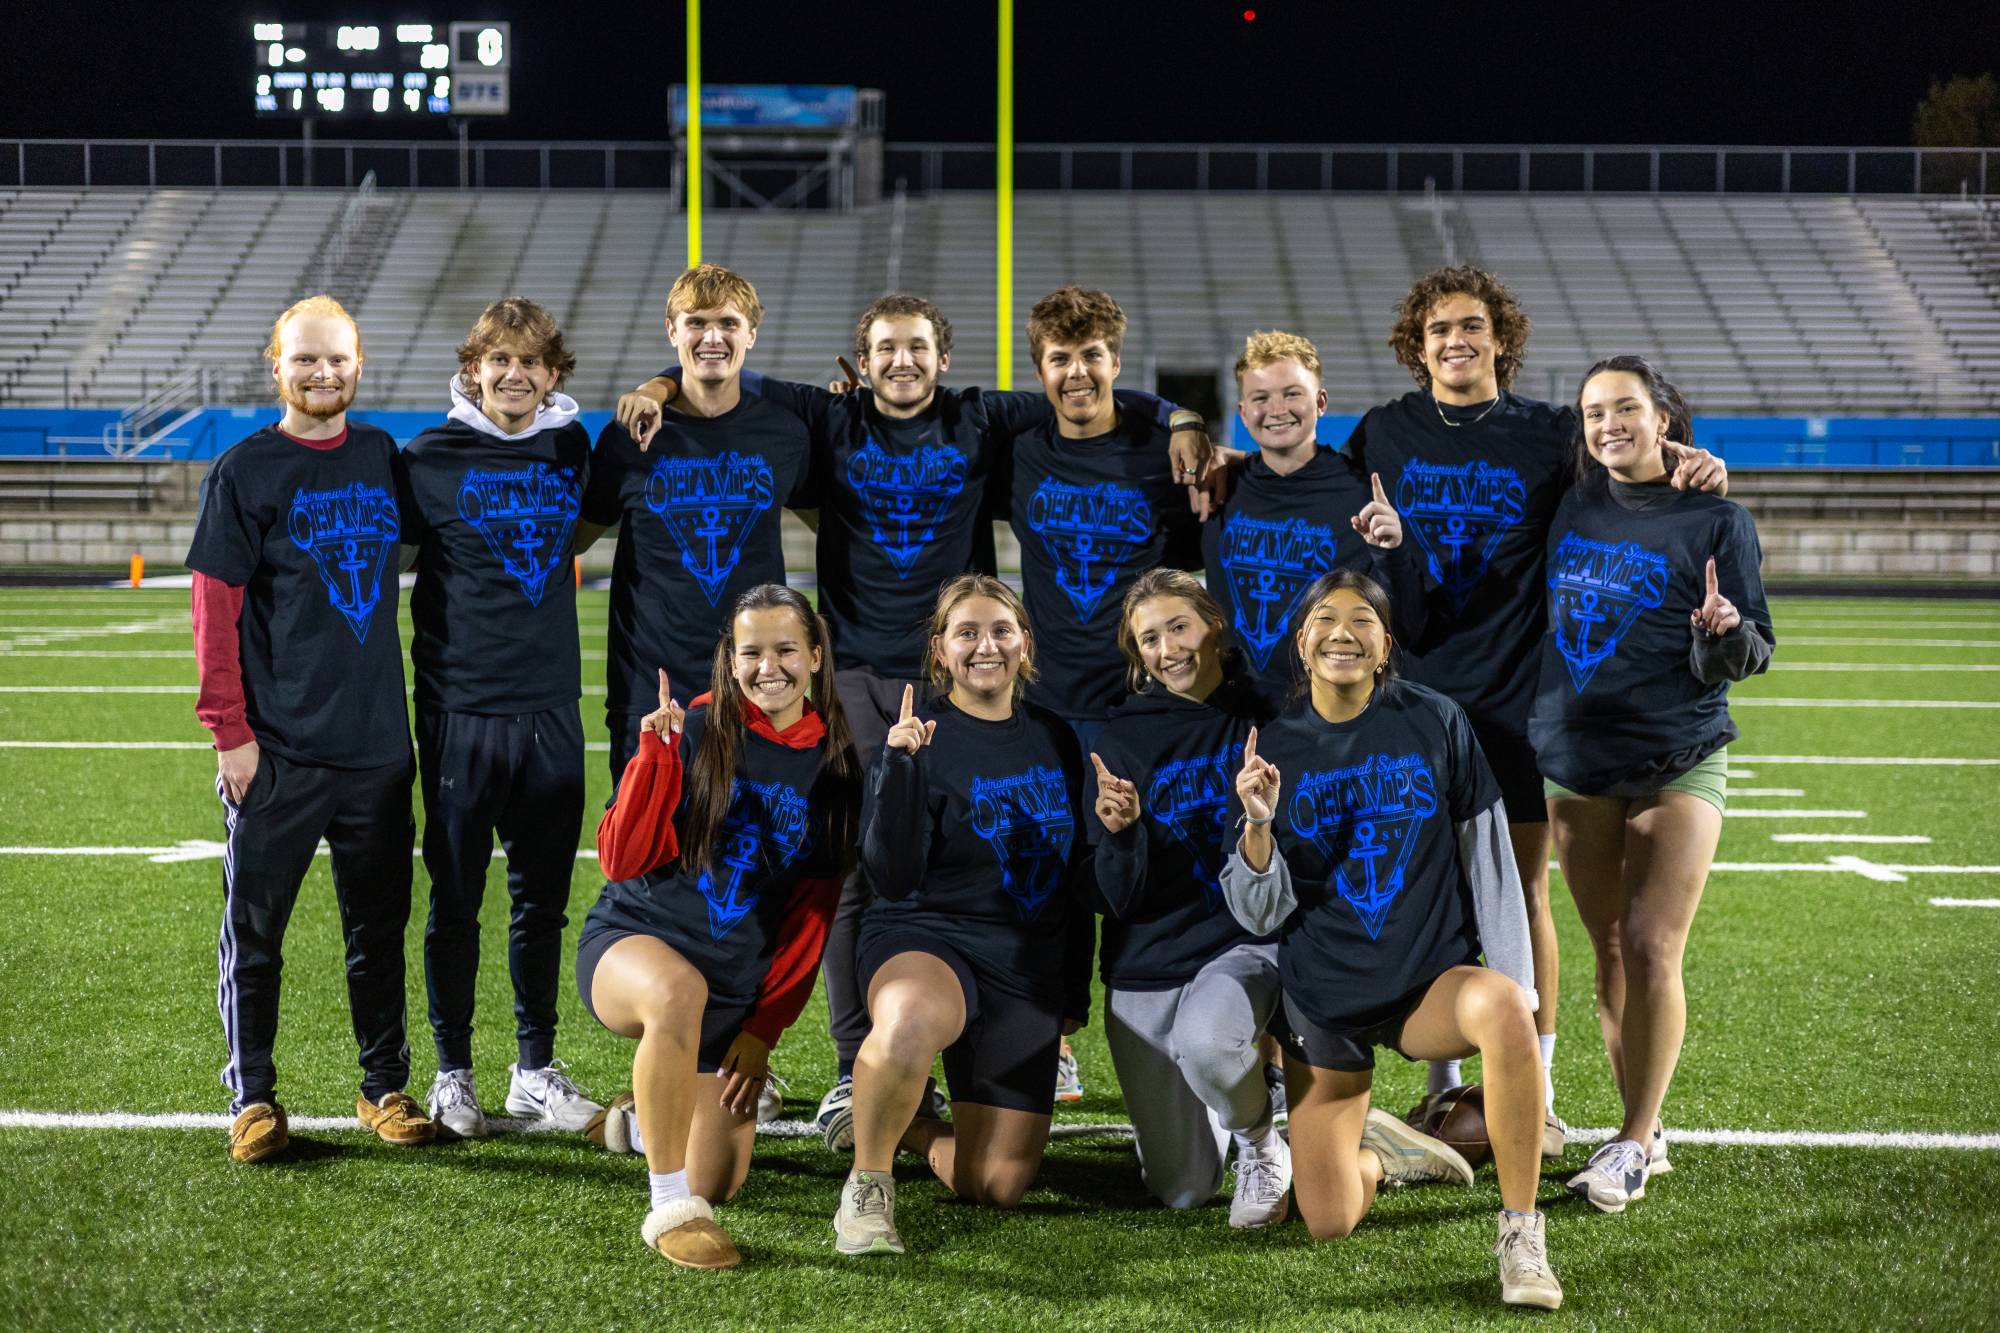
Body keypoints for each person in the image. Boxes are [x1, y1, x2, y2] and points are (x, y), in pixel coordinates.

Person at [615, 295, 1208, 1145]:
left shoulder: (980, 416)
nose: (904, 361)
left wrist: (1185, 416)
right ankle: (852, 1059)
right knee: (856, 860)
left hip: (956, 674)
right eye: (887, 349)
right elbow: (724, 375)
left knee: (1016, 835)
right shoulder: (832, 415)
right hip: (857, 674)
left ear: (944, 355)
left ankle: (1039, 1030)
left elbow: (1097, 389)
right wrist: (657, 385)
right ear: (863, 361)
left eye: (919, 347)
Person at [1343, 268, 1729, 1148]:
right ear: (1416, 345)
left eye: (1472, 325)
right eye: (1439, 329)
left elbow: (1634, 466)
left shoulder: (1551, 433)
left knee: (1520, 895)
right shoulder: (1384, 430)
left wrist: (1695, 461)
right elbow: (1310, 478)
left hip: (1517, 698)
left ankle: (1538, 1090)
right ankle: (1445, 1086)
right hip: (1411, 699)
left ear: (1501, 338)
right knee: (1425, 889)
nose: (1456, 340)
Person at [1220, 569, 1562, 1311]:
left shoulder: (1436, 719)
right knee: (1329, 1218)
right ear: (1301, 642)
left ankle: (1521, 1231)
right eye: (1325, 619)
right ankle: (1388, 1153)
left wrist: (1516, 982)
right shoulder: (1269, 746)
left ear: (1385, 645)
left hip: (1423, 983)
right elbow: (1257, 914)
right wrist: (1258, 824)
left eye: (1361, 621)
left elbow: (1489, 857)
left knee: (1505, 1007)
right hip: (1324, 998)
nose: (1342, 633)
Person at [187, 294, 433, 1161]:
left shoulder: (381, 456)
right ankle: (253, 1096)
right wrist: (229, 732)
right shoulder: (244, 471)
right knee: (256, 934)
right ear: (276, 367)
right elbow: (213, 610)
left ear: (359, 365)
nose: (322, 373)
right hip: (280, 751)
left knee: (378, 934)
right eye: (305, 359)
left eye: (336, 359)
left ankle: (383, 1085)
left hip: (378, 749)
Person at [1529, 356, 1773, 1214]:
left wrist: (1724, 629)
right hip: (1578, 757)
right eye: (1595, 411)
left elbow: (1753, 652)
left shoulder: (1717, 518)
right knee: (1606, 945)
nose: (1609, 424)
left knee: (1650, 942)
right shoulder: (1569, 501)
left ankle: (1630, 1143)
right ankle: (1648, 1126)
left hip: (1680, 751)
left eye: (1626, 408)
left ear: (1662, 418)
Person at [575, 583, 860, 1268]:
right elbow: (619, 859)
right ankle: (668, 1207)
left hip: (731, 989)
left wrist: (763, 1031)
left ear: (815, 656)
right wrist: (655, 758)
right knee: (677, 993)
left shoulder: (837, 766)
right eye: (751, 652)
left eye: (786, 650)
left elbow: (812, 913)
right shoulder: (696, 727)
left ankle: (635, 1118)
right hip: (636, 944)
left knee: (720, 1179)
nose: (769, 667)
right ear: (730, 660)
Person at [833, 575, 1092, 1256]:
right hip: (929, 935)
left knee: (997, 1183)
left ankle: (910, 1129)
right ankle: (868, 1183)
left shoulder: (1057, 737)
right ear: (940, 650)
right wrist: (897, 770)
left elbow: (1072, 876)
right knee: (909, 1017)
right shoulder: (918, 737)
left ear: (1025, 643)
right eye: (967, 633)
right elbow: (889, 877)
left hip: (1024, 961)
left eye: (1001, 631)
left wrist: (1071, 994)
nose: (986, 647)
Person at [398, 297, 602, 1137]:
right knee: (455, 899)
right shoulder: (426, 457)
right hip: (461, 707)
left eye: (531, 361)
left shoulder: (571, 446)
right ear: (473, 369)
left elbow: (578, 536)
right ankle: (452, 1071)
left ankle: (533, 1069)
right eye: (499, 360)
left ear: (553, 374)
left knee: (542, 902)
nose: (515, 374)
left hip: (551, 704)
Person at [1086, 569, 1288, 1225]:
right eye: (1149, 638)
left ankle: (1261, 1139)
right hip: (1147, 964)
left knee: (1208, 1042)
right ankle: (1249, 1109)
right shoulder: (1121, 738)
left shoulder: (1268, 715)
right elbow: (1115, 899)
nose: (1167, 648)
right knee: (1182, 1187)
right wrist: (1121, 836)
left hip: (1238, 945)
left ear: (1214, 625)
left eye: (1180, 627)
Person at [575, 265, 819, 789]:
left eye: (728, 323)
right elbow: (573, 539)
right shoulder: (629, 438)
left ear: (751, 334)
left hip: (756, 681)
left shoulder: (784, 433)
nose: (713, 338)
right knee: (647, 833)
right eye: (696, 323)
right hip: (651, 684)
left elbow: (841, 530)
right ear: (672, 331)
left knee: (750, 832)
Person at [1207, 331, 1422, 699]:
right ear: (1243, 412)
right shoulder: (1218, 489)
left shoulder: (1363, 495)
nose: (1277, 409)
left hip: (1327, 714)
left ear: (1321, 402)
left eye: (1292, 394)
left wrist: (1392, 553)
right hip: (1234, 712)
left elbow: (1407, 628)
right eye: (1261, 398)